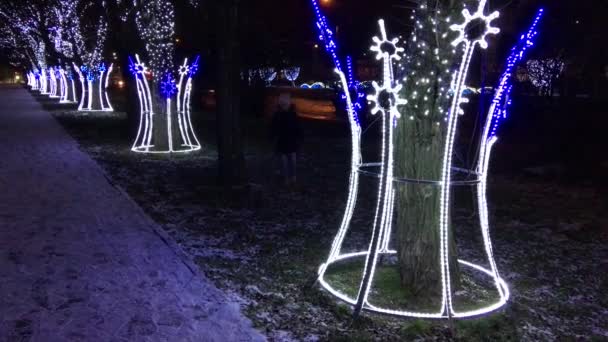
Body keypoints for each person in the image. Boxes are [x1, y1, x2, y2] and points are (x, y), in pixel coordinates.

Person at [271, 93, 301, 186]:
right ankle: (288, 177)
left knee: (290, 157)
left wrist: (299, 136)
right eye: (283, 103)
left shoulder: (290, 114)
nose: (284, 105)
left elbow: (298, 127)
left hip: (289, 139)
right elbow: (273, 127)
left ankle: (291, 177)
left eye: (285, 103)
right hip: (285, 139)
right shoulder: (281, 114)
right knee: (286, 158)